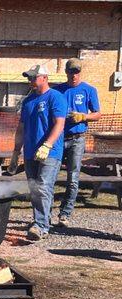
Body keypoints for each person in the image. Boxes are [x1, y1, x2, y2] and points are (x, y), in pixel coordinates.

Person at [8, 65, 66, 240]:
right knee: (35, 189)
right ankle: (44, 222)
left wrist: (47, 145)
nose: (30, 81)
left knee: (43, 186)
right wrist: (15, 152)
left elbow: (59, 124)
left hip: (51, 152)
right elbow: (21, 127)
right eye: (29, 78)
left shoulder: (56, 97)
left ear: (44, 78)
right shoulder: (28, 101)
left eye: (33, 78)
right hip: (30, 152)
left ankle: (40, 225)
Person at [53, 58, 101, 227]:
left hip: (77, 139)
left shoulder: (89, 90)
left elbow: (97, 114)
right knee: (50, 176)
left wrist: (83, 116)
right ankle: (45, 213)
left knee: (73, 178)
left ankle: (65, 214)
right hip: (58, 139)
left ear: (81, 72)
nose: (74, 75)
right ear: (66, 72)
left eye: (77, 71)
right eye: (71, 71)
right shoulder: (57, 90)